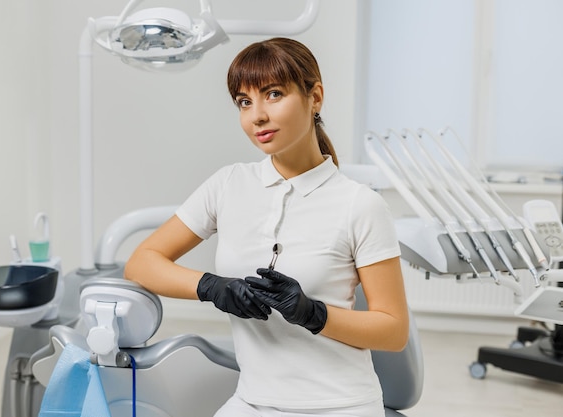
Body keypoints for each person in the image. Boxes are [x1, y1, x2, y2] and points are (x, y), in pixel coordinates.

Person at [124, 37, 409, 417]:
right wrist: (212, 287)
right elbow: (141, 262)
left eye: (273, 94)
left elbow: (393, 331)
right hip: (251, 402)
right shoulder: (228, 185)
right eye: (244, 101)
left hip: (341, 405)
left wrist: (314, 314)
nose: (257, 115)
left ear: (315, 97)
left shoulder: (360, 204)